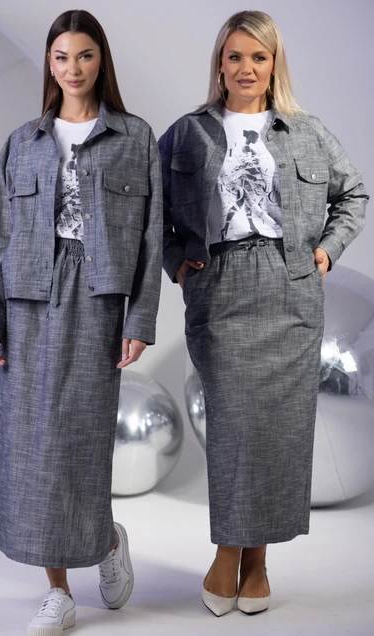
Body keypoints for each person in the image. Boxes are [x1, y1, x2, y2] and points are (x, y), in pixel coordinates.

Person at [159, 10, 368, 617]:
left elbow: (354, 193)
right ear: (220, 64)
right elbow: (151, 213)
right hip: (220, 288)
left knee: (279, 432)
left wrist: (327, 249)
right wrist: (175, 263)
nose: (246, 68)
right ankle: (229, 551)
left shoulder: (307, 131)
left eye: (258, 56)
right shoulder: (188, 133)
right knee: (233, 427)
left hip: (290, 290)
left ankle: (257, 562)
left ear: (274, 64)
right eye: (235, 56)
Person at [0, 9, 162, 635]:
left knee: (79, 441)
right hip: (27, 300)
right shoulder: (22, 142)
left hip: (98, 300)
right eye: (60, 57)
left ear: (100, 60)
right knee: (31, 445)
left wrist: (141, 318)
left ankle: (105, 540)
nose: (72, 69)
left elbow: (152, 236)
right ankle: (58, 591)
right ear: (50, 65)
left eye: (83, 55)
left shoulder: (135, 138)